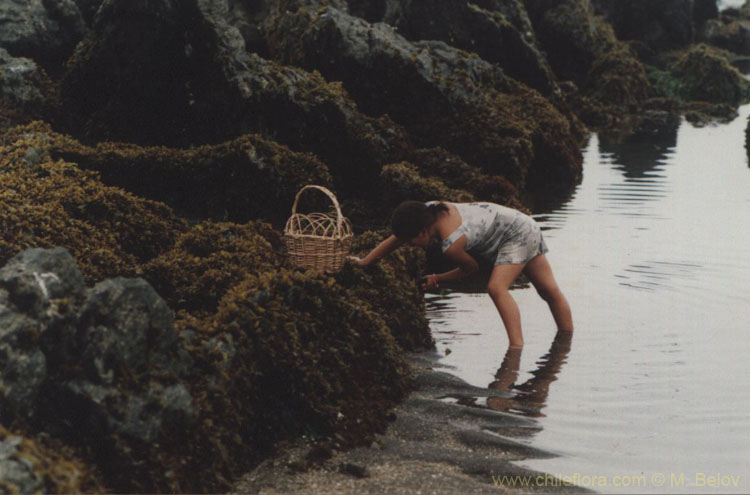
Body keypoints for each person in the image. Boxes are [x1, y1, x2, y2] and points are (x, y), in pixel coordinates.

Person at [350, 200, 573, 348]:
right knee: (548, 290)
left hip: (516, 234)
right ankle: (566, 341)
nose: (409, 246)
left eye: (411, 241)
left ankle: (516, 348)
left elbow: (471, 269)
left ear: (422, 232)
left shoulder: (451, 243)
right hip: (522, 223)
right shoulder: (427, 211)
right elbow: (395, 239)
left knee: (497, 288)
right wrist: (365, 262)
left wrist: (438, 279)